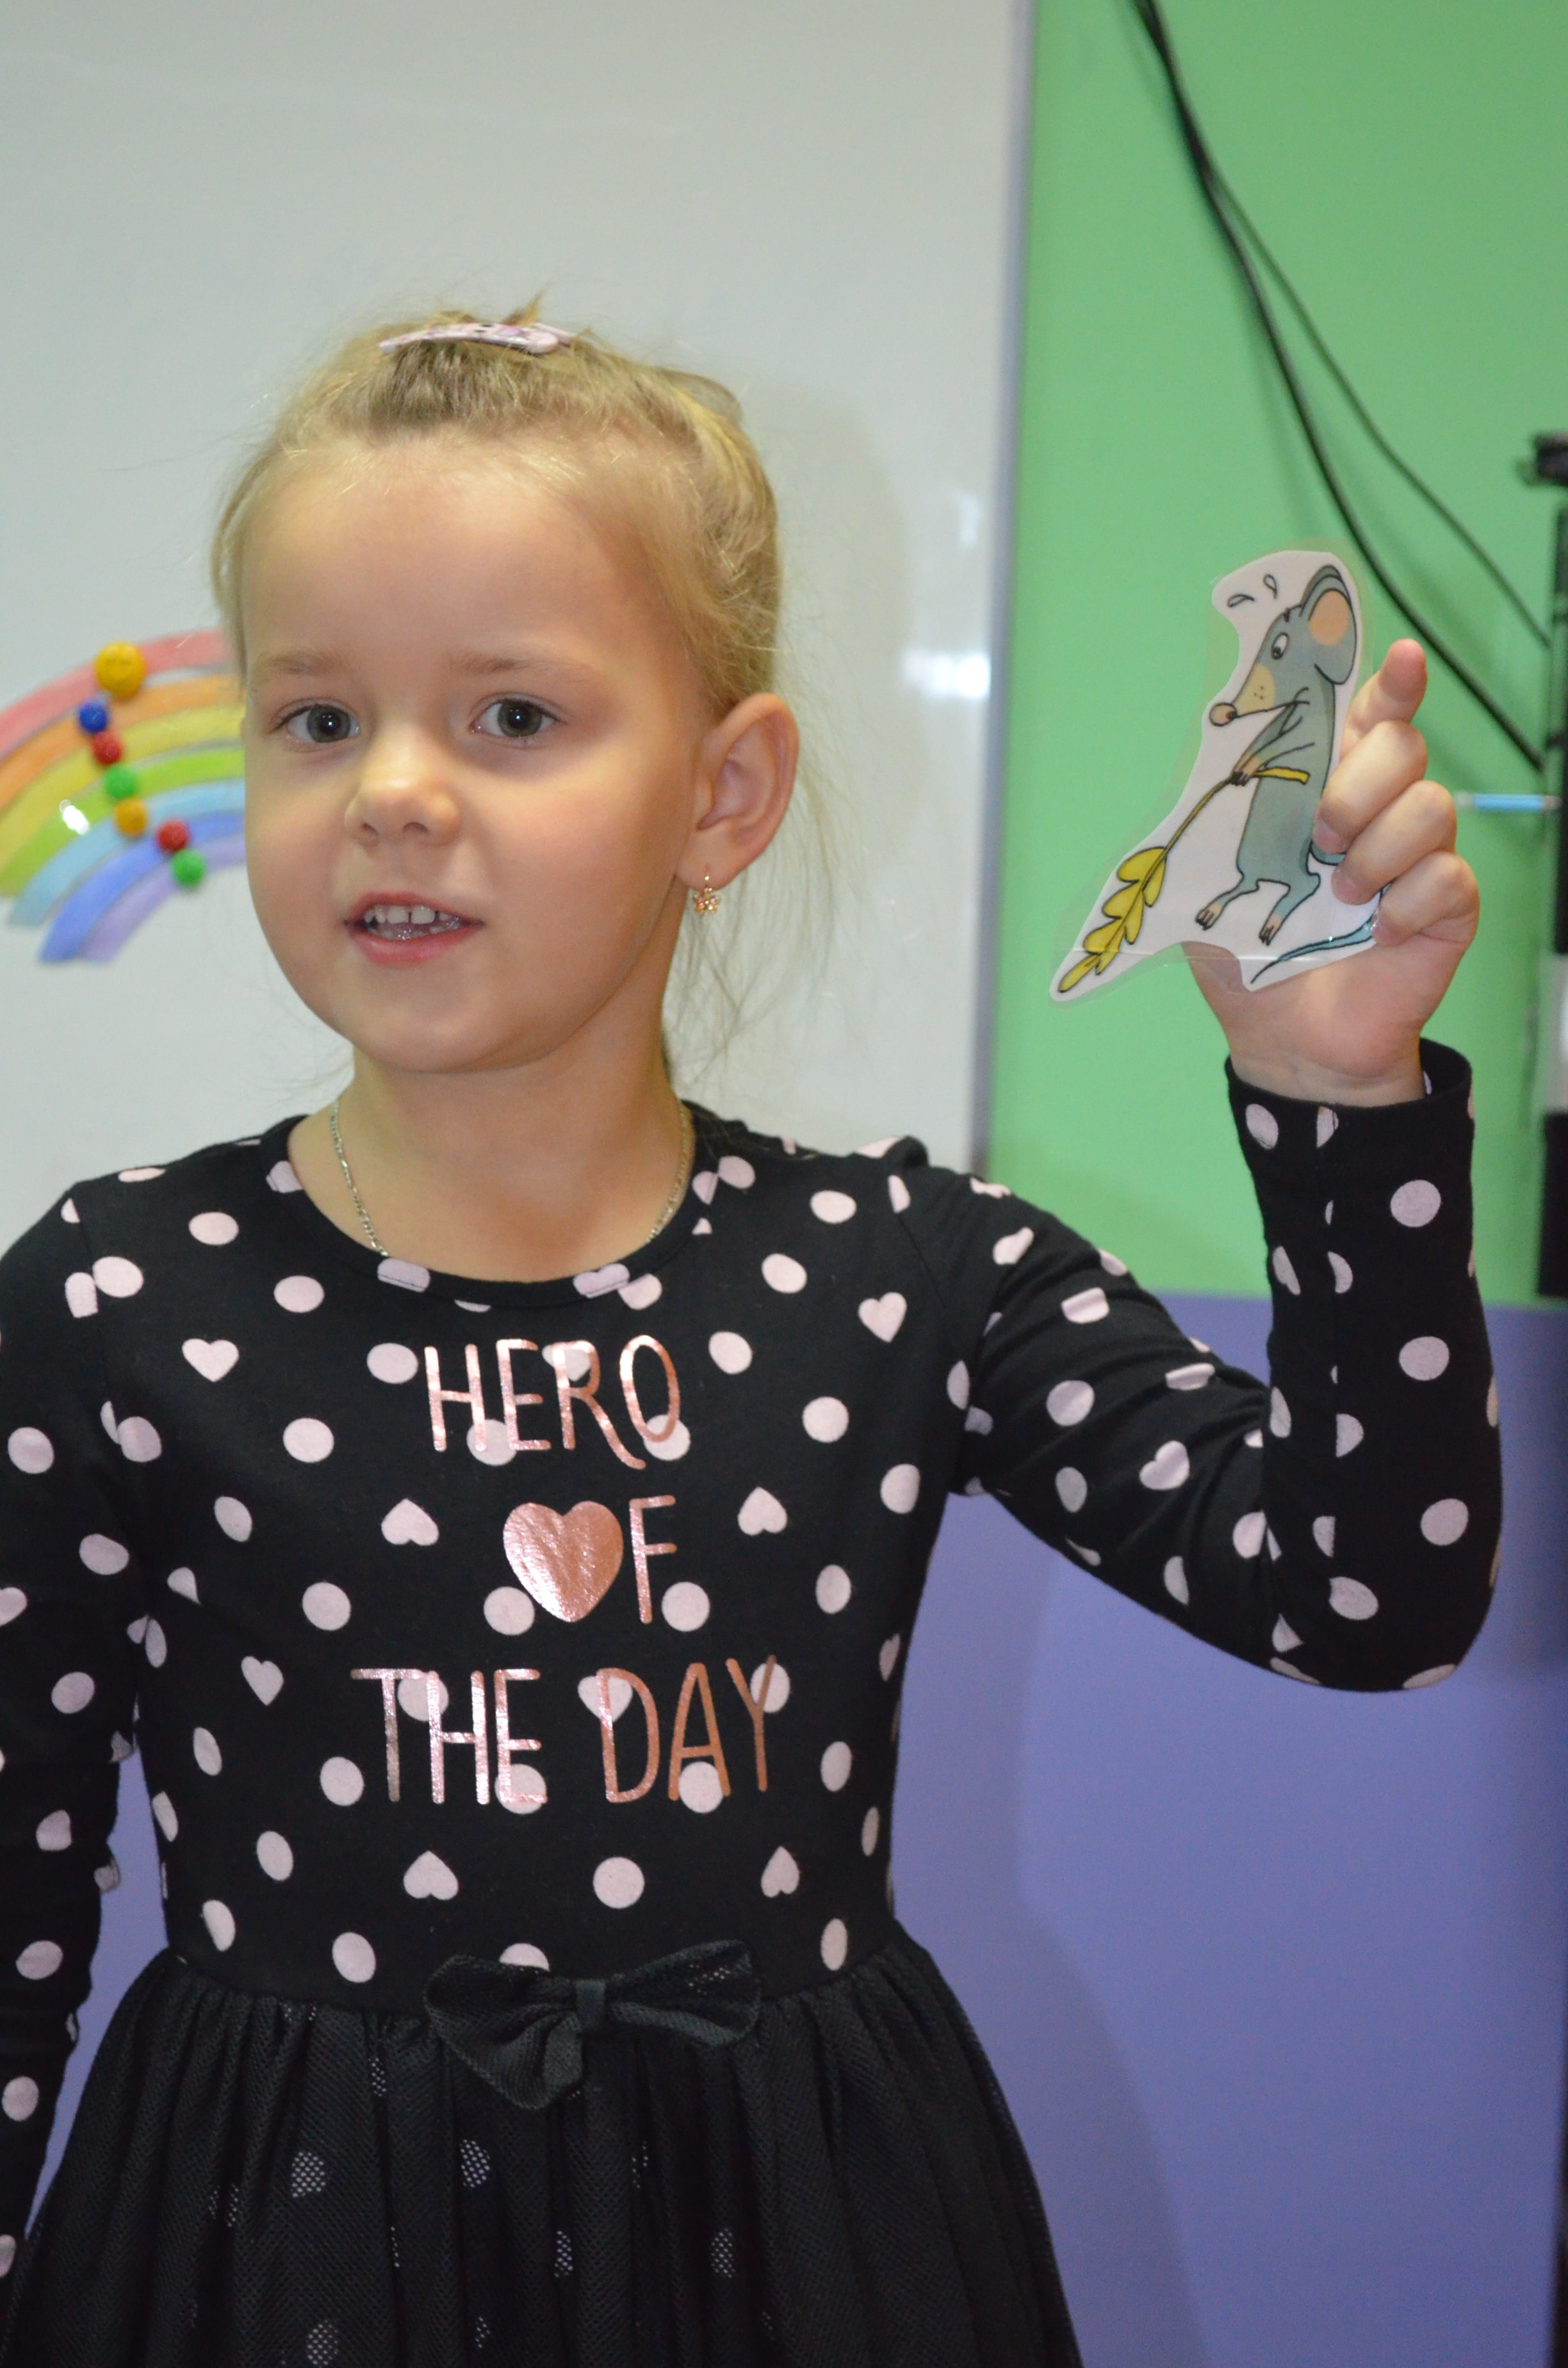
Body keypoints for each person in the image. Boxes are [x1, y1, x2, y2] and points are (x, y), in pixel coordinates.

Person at [0, 311, 1499, 2368]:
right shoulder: (112, 1300)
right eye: (317, 718)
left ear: (723, 794)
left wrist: (1340, 1106)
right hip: (281, 2250)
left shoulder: (909, 1272)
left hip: (803, 2247)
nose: (396, 794)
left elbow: (1368, 1596)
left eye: (513, 715)